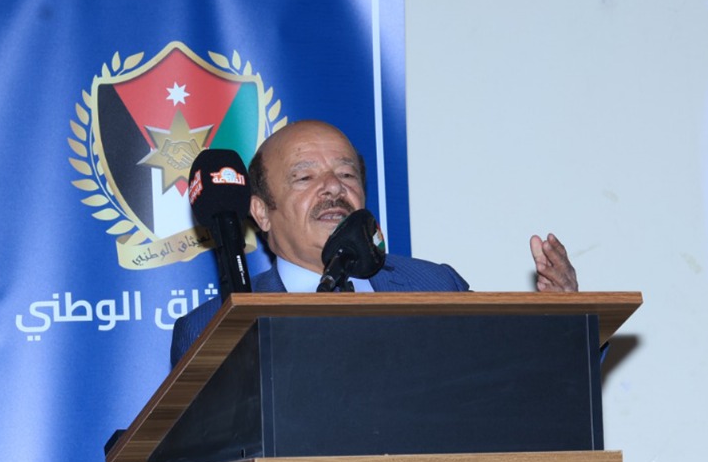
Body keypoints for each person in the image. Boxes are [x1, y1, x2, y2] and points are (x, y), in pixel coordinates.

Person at [170, 120, 578, 364]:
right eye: (305, 177)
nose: (334, 187)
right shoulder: (207, 328)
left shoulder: (435, 286)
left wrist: (566, 327)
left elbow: (514, 380)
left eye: (347, 174)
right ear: (260, 212)